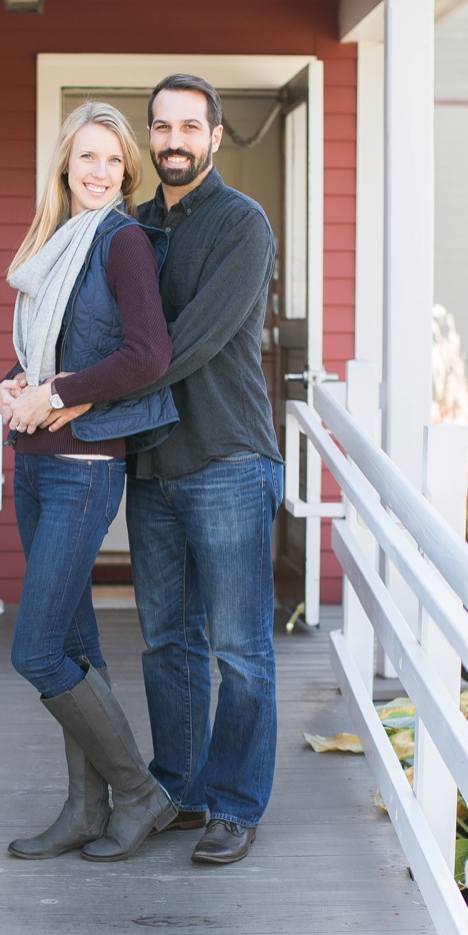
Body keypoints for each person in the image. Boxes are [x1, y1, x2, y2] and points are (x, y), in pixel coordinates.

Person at [90, 75, 283, 867]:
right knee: (167, 640)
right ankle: (182, 784)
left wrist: (84, 395)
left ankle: (235, 804)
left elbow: (182, 345)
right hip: (156, 467)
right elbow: (93, 325)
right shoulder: (132, 229)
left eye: (190, 126)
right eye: (161, 127)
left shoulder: (244, 225)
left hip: (228, 458)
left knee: (239, 648)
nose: (174, 139)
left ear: (216, 134)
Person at [0, 101, 179, 862]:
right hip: (35, 465)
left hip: (84, 470)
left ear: (126, 170)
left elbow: (146, 356)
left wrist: (58, 392)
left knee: (36, 650)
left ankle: (139, 793)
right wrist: (11, 386)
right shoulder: (57, 243)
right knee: (74, 641)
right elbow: (50, 354)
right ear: (64, 169)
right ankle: (85, 805)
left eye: (111, 160)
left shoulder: (123, 242)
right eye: (85, 159)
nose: (99, 172)